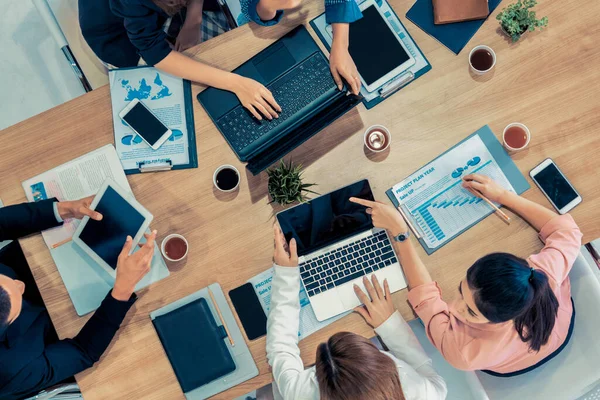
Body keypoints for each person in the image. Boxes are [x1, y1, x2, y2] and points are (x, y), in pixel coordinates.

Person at [349, 173, 582, 376]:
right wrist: (501, 195)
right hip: (559, 326)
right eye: (461, 290)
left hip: (514, 362)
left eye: (470, 311)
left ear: (504, 320)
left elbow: (427, 299)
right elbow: (567, 231)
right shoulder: (540, 276)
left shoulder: (462, 352)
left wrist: (401, 233)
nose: (452, 307)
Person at [0, 197, 156, 399]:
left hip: (34, 254)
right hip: (65, 320)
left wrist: (62, 209)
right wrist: (122, 291)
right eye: (15, 304)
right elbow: (83, 352)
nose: (19, 284)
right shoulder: (11, 374)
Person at [266, 225, 447, 399]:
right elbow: (433, 379)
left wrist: (286, 274)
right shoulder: (423, 392)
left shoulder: (301, 393)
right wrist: (389, 324)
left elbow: (281, 349)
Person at [79, 0, 284, 120]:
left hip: (159, 16)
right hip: (117, 34)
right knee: (181, 106)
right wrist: (236, 83)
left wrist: (193, 20)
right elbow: (153, 50)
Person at [256, 0, 363, 95]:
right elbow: (251, 7)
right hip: (260, 31)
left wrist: (341, 46)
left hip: (312, 16)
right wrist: (268, 5)